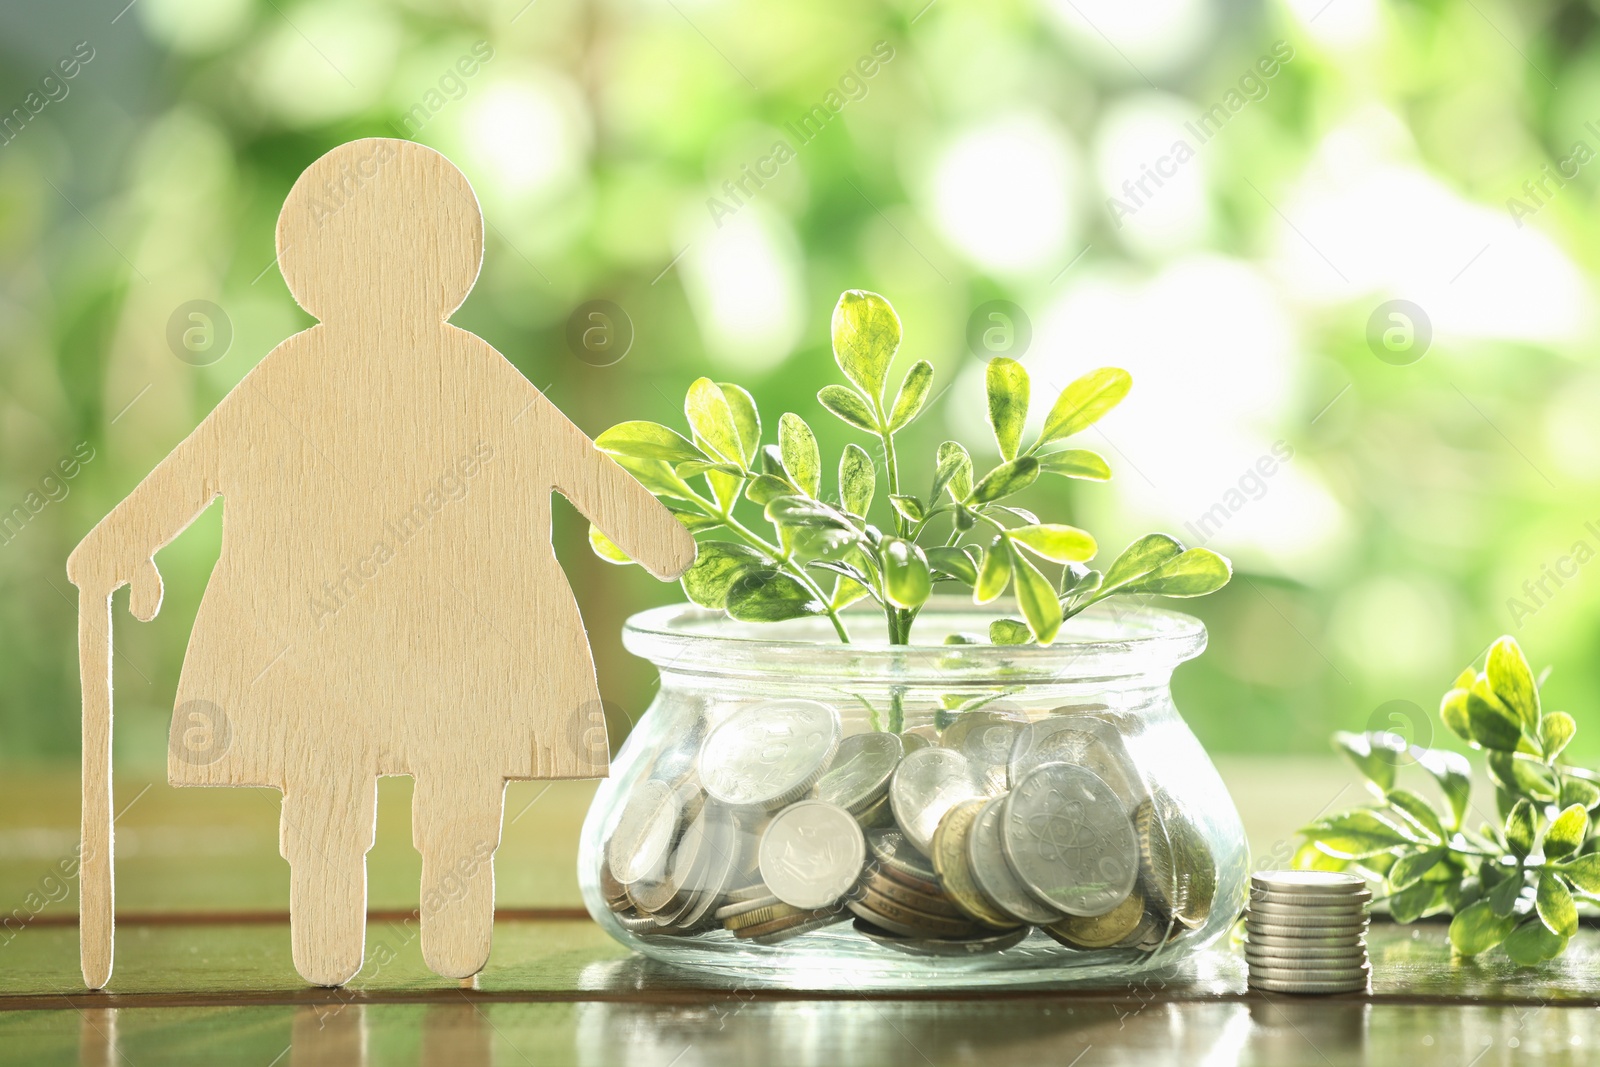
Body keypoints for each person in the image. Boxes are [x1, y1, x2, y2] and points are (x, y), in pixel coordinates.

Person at [67, 138, 695, 986]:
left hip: (422, 642)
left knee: (430, 798)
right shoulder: (357, 374)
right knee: (353, 788)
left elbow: (579, 467)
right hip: (355, 645)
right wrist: (116, 542)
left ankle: (431, 930)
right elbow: (199, 467)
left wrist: (116, 543)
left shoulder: (441, 373)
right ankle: (373, 934)